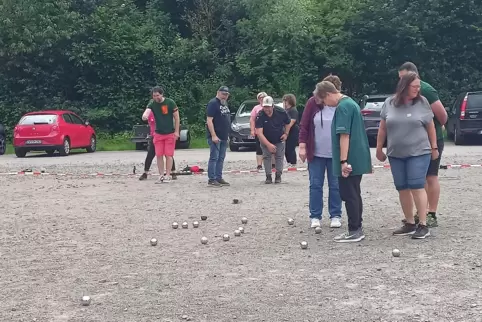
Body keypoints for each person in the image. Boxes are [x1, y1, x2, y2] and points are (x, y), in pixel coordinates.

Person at [376, 72, 439, 239]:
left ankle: (423, 224)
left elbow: (431, 127)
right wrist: (379, 148)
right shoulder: (389, 103)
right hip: (395, 153)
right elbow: (383, 128)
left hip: (419, 152)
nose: (418, 89)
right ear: (404, 86)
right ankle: (410, 223)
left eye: (419, 87)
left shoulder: (422, 102)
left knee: (417, 185)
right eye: (415, 86)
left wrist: (434, 147)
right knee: (402, 187)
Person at [313, 81, 372, 243]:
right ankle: (356, 227)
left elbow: (344, 135)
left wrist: (343, 161)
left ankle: (354, 230)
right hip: (356, 156)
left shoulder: (342, 107)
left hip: (350, 158)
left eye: (324, 101)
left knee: (349, 194)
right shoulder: (351, 103)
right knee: (354, 193)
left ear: (328, 94)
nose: (325, 104)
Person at [398, 62, 447, 227]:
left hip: (432, 139)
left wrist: (434, 130)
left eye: (403, 77)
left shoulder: (426, 90)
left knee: (431, 176)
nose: (401, 81)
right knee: (419, 178)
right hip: (416, 140)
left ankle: (431, 213)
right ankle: (421, 211)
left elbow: (442, 115)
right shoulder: (404, 93)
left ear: (413, 75)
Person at [299, 75, 343, 229]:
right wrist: (303, 146)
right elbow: (304, 125)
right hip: (316, 152)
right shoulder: (312, 103)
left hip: (336, 153)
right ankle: (315, 215)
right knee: (315, 185)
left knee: (336, 185)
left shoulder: (342, 104)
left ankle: (336, 215)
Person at [142, 86, 180, 183]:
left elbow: (177, 118)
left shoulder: (170, 102)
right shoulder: (152, 103)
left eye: (157, 95)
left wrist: (176, 131)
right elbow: (147, 110)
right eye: (154, 96)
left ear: (162, 94)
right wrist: (145, 115)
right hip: (158, 134)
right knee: (159, 155)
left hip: (170, 133)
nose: (156, 97)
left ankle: (168, 174)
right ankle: (161, 175)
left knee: (168, 155)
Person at [255, 96, 291, 184]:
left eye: (268, 107)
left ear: (273, 106)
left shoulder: (281, 112)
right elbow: (259, 133)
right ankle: (268, 176)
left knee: (279, 157)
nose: (266, 109)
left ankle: (278, 175)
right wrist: (268, 145)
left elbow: (288, 123)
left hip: (279, 138)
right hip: (265, 138)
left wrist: (286, 133)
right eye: (265, 107)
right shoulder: (260, 115)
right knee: (266, 157)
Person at [139, 110, 177, 181]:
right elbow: (144, 118)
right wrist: (145, 116)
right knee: (150, 154)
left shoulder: (163, 111)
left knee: (168, 154)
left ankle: (173, 172)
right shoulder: (150, 113)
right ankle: (145, 172)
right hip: (154, 135)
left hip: (164, 134)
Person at [206, 86, 231, 187]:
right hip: (216, 136)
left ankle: (218, 177)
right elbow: (209, 120)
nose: (224, 96)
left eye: (226, 94)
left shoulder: (224, 104)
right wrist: (213, 135)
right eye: (223, 94)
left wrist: (227, 134)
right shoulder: (213, 103)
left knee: (221, 158)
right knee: (214, 157)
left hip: (224, 135)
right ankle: (212, 179)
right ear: (218, 93)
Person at [250, 92, 268, 170]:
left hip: (269, 130)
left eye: (263, 97)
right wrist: (252, 130)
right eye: (260, 97)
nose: (262, 98)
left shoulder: (270, 107)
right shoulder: (256, 108)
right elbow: (252, 119)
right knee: (259, 148)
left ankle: (273, 164)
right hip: (259, 131)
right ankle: (259, 165)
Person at [282, 94, 299, 166]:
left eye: (286, 100)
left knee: (290, 147)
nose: (284, 102)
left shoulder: (293, 110)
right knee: (286, 148)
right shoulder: (286, 110)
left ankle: (293, 162)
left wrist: (286, 131)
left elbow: (291, 122)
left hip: (293, 131)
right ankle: (289, 161)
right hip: (287, 130)